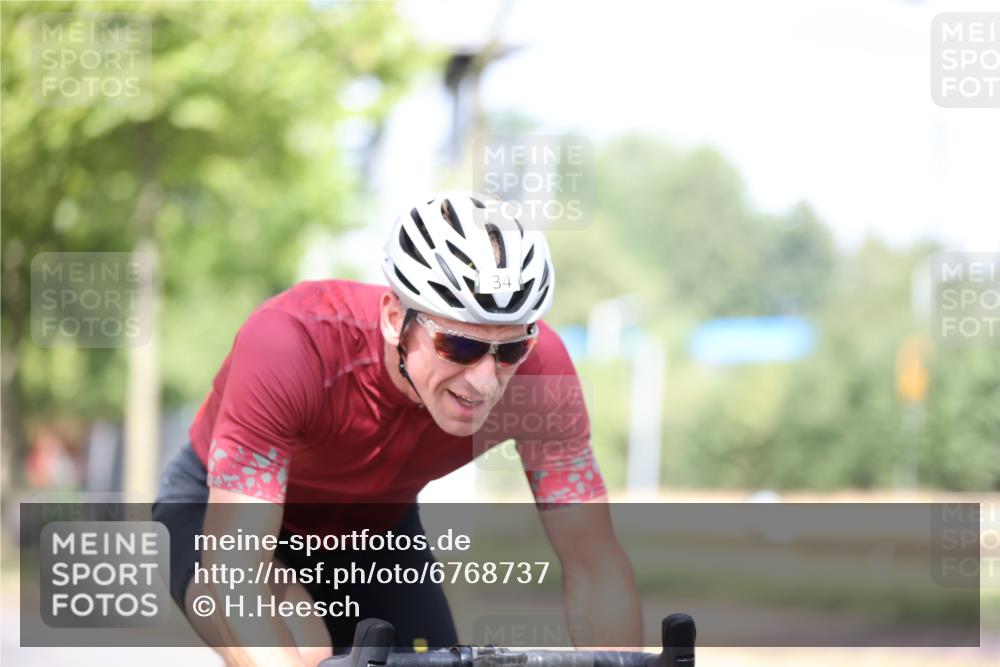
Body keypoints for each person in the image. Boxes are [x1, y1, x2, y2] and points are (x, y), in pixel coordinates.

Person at [152, 191, 642, 667]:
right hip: (218, 515)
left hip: (376, 529)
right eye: (459, 345)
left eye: (511, 348)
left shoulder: (541, 376)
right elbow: (236, 574)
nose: (485, 380)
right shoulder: (290, 344)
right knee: (305, 648)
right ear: (394, 318)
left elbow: (593, 560)